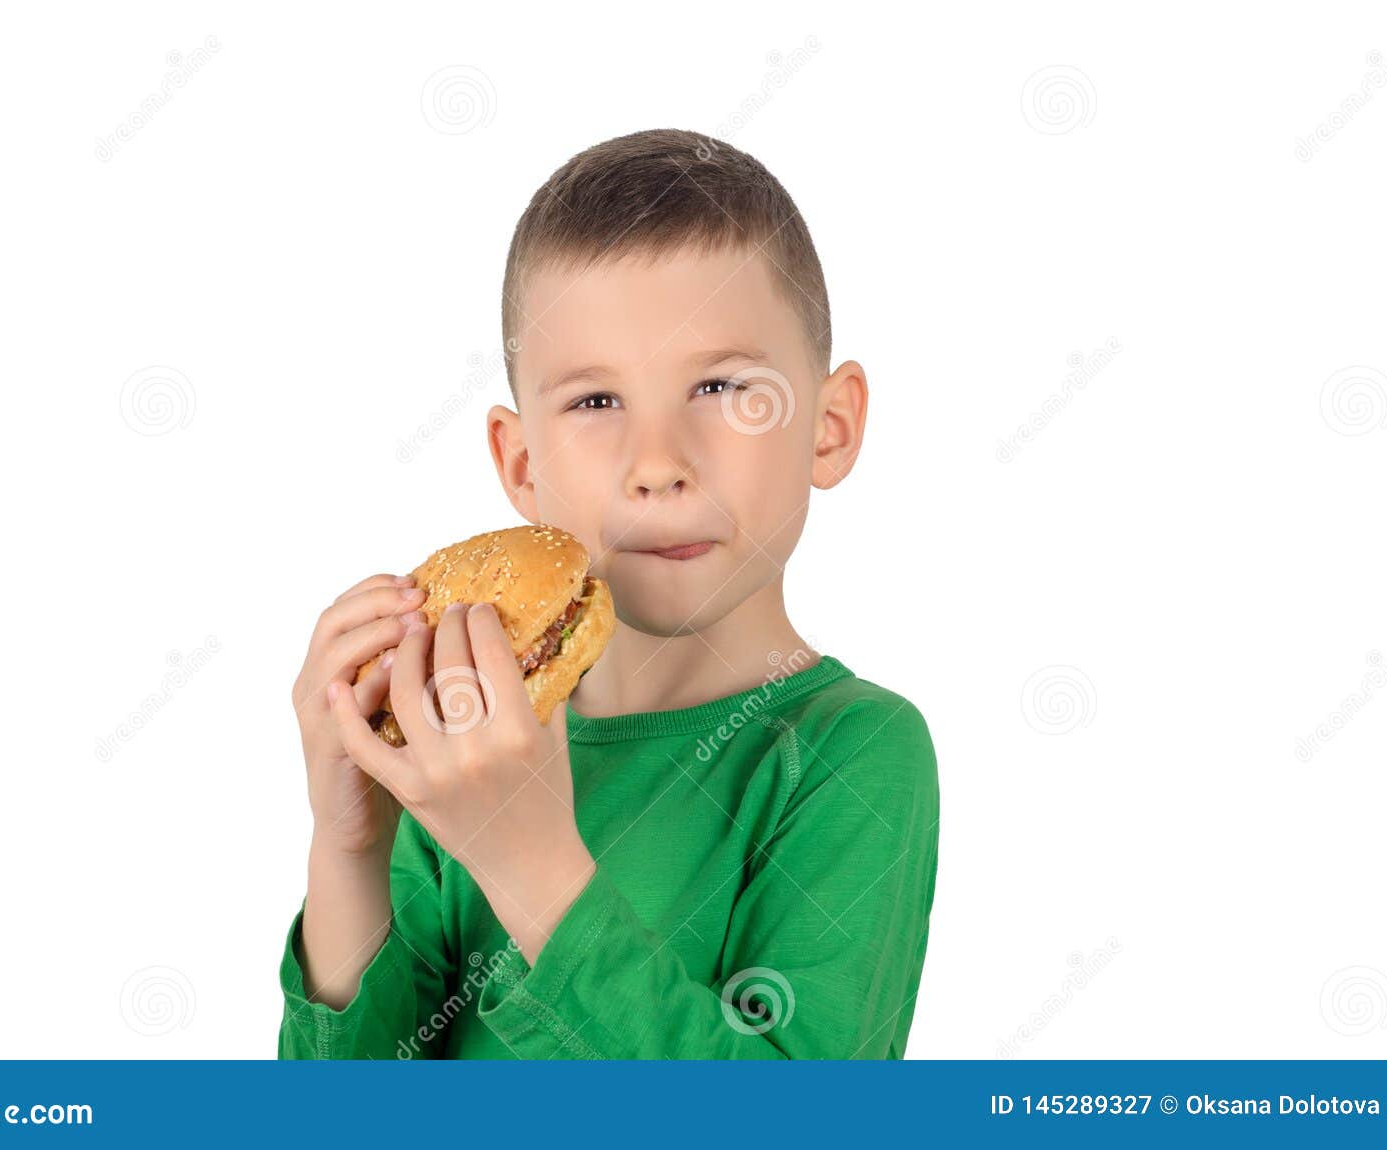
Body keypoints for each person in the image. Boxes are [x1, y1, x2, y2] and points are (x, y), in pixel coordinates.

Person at [278, 128, 940, 1059]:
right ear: (520, 463)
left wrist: (529, 862)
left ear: (828, 428)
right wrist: (347, 851)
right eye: (595, 402)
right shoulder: (462, 740)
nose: (658, 465)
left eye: (720, 386)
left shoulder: (849, 752)